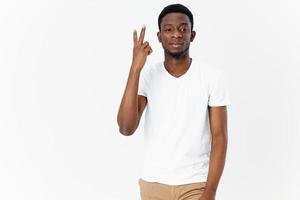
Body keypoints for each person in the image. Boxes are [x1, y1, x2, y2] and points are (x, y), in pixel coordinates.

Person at [117, 3, 230, 200]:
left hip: (195, 183)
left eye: (183, 29)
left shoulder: (212, 76)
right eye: (168, 29)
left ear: (192, 35)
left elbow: (219, 137)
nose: (176, 34)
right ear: (159, 36)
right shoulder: (148, 76)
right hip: (153, 183)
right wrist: (135, 68)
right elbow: (126, 128)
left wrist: (210, 191)